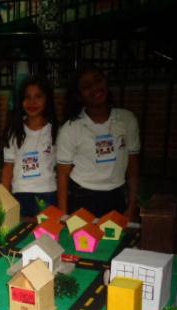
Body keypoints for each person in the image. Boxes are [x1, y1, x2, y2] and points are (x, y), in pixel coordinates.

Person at [56, 65, 140, 220]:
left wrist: (132, 205)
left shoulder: (127, 120)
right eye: (87, 86)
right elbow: (62, 174)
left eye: (98, 80)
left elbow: (133, 169)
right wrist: (63, 215)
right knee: (82, 244)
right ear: (79, 95)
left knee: (115, 243)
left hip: (117, 197)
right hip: (82, 198)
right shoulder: (70, 128)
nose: (95, 88)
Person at [1, 75, 59, 219]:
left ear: (47, 99)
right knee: (21, 237)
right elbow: (8, 167)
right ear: (21, 101)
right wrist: (5, 198)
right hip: (20, 194)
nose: (32, 102)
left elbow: (62, 166)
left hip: (47, 194)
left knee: (46, 236)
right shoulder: (14, 131)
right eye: (27, 97)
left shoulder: (55, 131)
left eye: (38, 96)